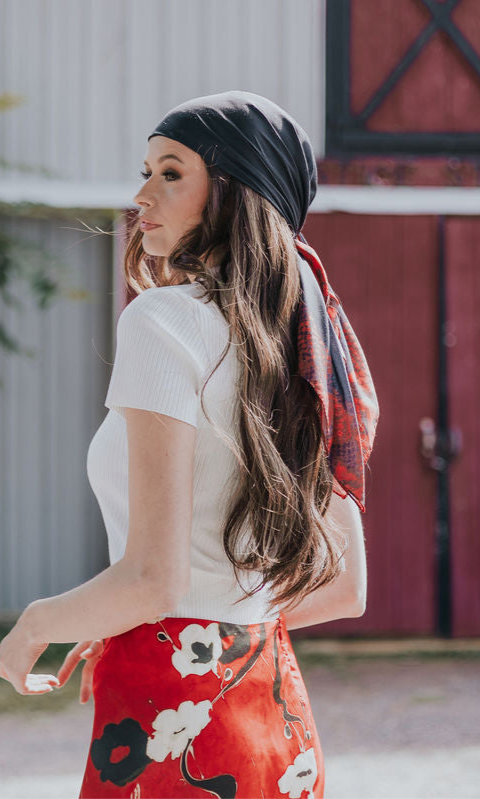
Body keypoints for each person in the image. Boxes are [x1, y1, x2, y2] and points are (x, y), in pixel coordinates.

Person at [0, 91, 379, 797]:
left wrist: (41, 623)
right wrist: (191, 625)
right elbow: (344, 586)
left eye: (170, 172)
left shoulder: (164, 322)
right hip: (275, 714)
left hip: (172, 718)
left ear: (234, 191)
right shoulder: (308, 344)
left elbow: (154, 579)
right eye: (145, 170)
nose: (141, 194)